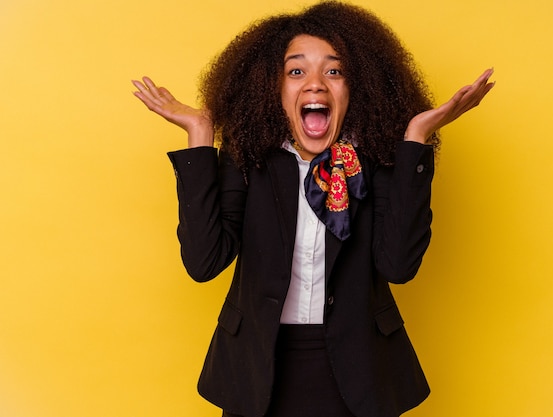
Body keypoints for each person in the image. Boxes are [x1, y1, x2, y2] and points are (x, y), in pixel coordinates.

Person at [132, 2, 494, 416]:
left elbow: (398, 266)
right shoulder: (249, 158)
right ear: (273, 86)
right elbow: (203, 262)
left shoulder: (375, 160)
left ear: (357, 86)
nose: (316, 84)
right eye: (296, 71)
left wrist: (415, 138)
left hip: (360, 373)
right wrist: (201, 136)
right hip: (258, 373)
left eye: (334, 71)